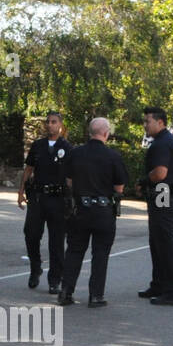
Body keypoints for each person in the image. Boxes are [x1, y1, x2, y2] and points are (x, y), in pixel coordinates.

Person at [57, 118, 127, 307]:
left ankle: (65, 292)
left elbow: (69, 181)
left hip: (79, 210)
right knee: (100, 253)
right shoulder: (113, 156)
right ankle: (96, 296)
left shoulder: (75, 153)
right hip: (103, 212)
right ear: (106, 133)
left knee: (74, 251)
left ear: (89, 132)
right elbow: (119, 187)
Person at [19, 112, 74, 294]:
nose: (50, 125)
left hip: (58, 199)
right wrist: (20, 192)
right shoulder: (38, 145)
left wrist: (73, 199)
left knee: (57, 241)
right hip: (38, 197)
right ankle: (35, 268)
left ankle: (55, 279)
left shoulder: (67, 147)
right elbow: (29, 169)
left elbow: (71, 177)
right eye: (48, 122)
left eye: (54, 122)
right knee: (31, 233)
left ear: (60, 125)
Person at [140, 106, 173, 306]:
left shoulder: (162, 143)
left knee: (165, 243)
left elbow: (160, 174)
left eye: (148, 121)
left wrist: (143, 181)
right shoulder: (164, 140)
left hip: (163, 194)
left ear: (160, 122)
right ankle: (158, 284)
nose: (145, 125)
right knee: (157, 242)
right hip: (162, 194)